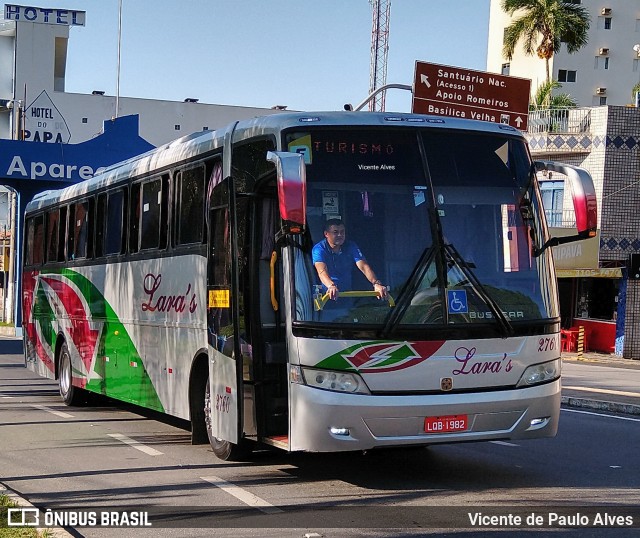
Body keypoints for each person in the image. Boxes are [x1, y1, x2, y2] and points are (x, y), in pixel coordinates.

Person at [312, 218, 388, 301]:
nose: (340, 235)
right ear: (326, 234)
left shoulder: (351, 246)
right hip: (327, 297)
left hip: (347, 296)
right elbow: (321, 271)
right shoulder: (319, 249)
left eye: (342, 232)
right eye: (335, 232)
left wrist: (376, 283)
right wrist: (331, 286)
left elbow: (364, 266)